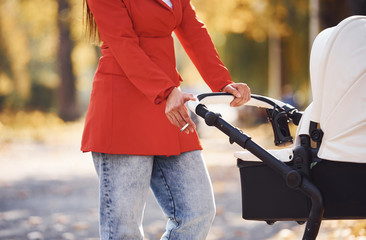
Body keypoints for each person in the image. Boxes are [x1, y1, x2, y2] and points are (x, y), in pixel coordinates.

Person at [81, 0, 251, 239]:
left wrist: (222, 82)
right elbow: (122, 43)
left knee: (198, 211)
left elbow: (194, 31)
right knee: (124, 230)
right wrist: (165, 90)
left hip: (169, 104)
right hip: (123, 109)